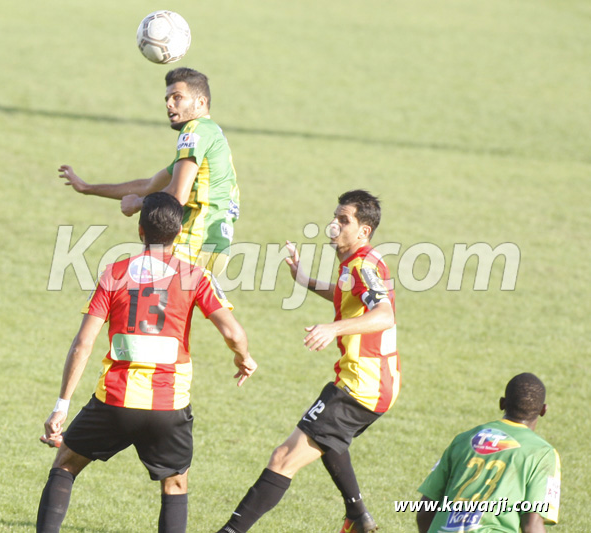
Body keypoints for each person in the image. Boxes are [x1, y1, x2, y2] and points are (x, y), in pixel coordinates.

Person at [36, 192, 257, 533]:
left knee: (65, 464)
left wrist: (61, 406)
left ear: (140, 231)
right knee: (175, 484)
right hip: (169, 407)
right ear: (179, 232)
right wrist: (243, 358)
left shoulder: (114, 273)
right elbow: (234, 333)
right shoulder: (195, 276)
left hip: (114, 401)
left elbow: (83, 344)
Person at [217, 190, 398, 533]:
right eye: (335, 216)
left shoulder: (362, 266)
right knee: (328, 439)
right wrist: (306, 280)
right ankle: (358, 517)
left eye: (343, 220)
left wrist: (333, 328)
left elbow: (385, 314)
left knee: (283, 458)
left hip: (362, 386)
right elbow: (347, 293)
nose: (333, 225)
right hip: (371, 382)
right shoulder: (361, 261)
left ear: (364, 231)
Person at [58, 67, 239, 277]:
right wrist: (87, 188)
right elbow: (149, 185)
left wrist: (137, 203)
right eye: (167, 98)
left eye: (177, 97)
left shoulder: (194, 129)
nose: (169, 104)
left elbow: (177, 195)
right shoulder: (211, 134)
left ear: (200, 102)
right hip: (215, 246)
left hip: (192, 242)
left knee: (127, 290)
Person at [416, 373, 560, 532]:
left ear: (502, 403)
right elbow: (532, 524)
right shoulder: (542, 453)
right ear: (543, 410)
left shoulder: (463, 440)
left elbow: (424, 511)